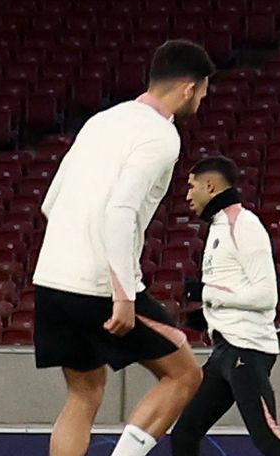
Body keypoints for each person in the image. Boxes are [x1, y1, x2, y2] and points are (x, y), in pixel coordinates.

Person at [37, 43, 212, 456]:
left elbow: (50, 203)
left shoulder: (101, 121)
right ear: (188, 88)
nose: (202, 101)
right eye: (204, 92)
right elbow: (120, 212)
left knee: (85, 393)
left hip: (50, 279)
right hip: (98, 285)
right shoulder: (160, 135)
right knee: (184, 376)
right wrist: (122, 293)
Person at [162, 156, 280, 456]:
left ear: (210, 186)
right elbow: (233, 288)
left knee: (268, 440)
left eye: (192, 186)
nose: (187, 194)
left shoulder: (244, 224)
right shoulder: (219, 227)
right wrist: (208, 317)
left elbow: (266, 296)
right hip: (224, 350)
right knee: (183, 436)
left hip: (246, 350)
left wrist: (207, 294)